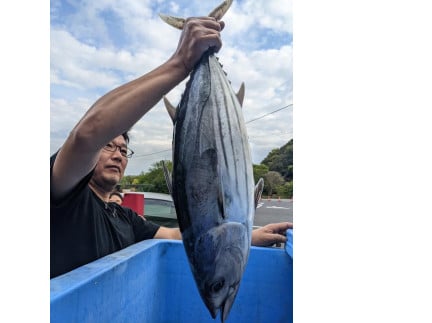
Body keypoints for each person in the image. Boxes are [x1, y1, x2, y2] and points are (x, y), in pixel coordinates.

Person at [50, 16, 293, 278]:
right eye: (108, 146)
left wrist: (249, 236)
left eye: (123, 150)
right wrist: (182, 62)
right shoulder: (65, 197)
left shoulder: (125, 219)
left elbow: (185, 236)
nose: (118, 155)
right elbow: (87, 134)